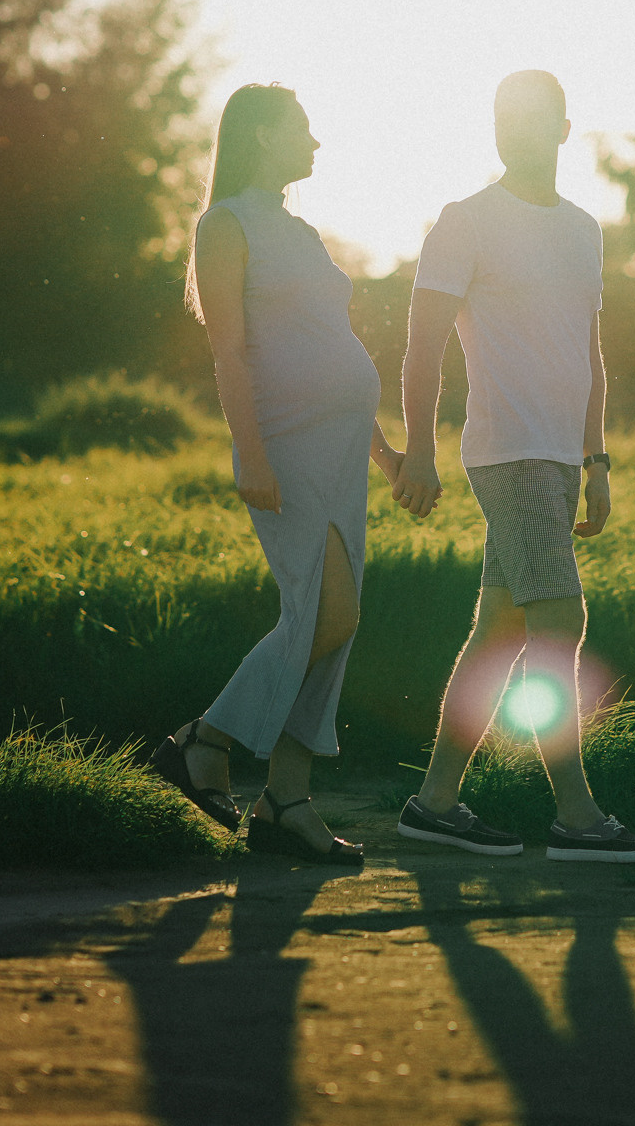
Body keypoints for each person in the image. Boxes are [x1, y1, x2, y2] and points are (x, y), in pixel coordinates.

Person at [390, 71, 635, 864]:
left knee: (501, 630)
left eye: (531, 119)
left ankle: (433, 804)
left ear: (563, 130)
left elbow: (589, 352)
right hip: (508, 449)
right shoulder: (465, 221)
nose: (513, 130)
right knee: (560, 620)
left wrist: (596, 458)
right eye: (503, 118)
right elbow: (422, 346)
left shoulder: (583, 229)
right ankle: (577, 818)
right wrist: (420, 448)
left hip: (558, 455)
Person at [151, 84, 400, 866]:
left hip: (342, 450)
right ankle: (205, 739)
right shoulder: (225, 225)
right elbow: (229, 351)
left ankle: (285, 800)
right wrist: (249, 450)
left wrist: (387, 454)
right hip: (286, 446)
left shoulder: (301, 231)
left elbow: (333, 347)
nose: (316, 142)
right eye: (302, 128)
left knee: (337, 621)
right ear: (262, 135)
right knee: (322, 614)